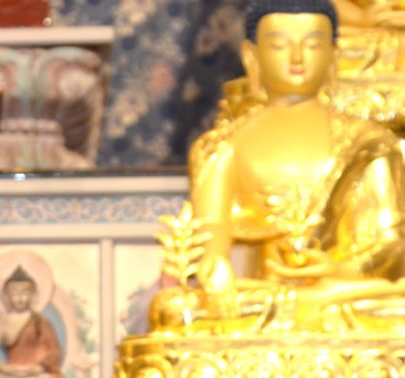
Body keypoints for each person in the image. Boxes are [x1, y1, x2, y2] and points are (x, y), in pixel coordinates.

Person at [151, 0, 405, 332]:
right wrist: (214, 270)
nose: (297, 58)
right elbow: (211, 234)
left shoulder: (369, 142)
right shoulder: (222, 146)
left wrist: (341, 271)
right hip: (263, 296)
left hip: (339, 293)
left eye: (312, 45)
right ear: (251, 57)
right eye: (280, 45)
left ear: (333, 56)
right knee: (174, 309)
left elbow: (389, 242)